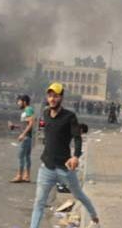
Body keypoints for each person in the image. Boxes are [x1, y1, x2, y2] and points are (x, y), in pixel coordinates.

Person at [29, 82, 100, 228]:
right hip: (46, 168)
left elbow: (77, 137)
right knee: (39, 202)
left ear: (61, 97)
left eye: (55, 96)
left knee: (79, 195)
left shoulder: (70, 117)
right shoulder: (46, 113)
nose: (52, 99)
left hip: (65, 168)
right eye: (50, 96)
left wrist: (76, 156)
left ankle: (94, 217)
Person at [10, 94, 35, 183]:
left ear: (24, 102)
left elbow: (31, 123)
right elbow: (25, 125)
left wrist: (23, 135)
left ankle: (19, 176)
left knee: (21, 157)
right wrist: (14, 126)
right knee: (27, 157)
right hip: (28, 137)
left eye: (19, 101)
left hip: (26, 138)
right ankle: (27, 176)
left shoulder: (28, 109)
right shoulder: (27, 110)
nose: (18, 103)